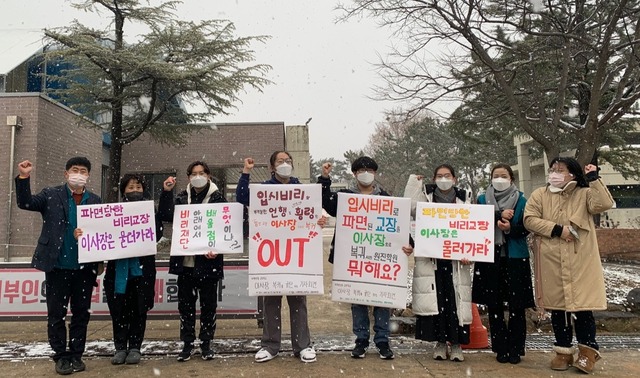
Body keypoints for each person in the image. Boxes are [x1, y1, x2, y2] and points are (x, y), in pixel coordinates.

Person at [524, 157, 614, 373]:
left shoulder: (584, 193)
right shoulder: (540, 195)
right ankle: (563, 352)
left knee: (582, 309)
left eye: (560, 170)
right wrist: (557, 229)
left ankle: (587, 353)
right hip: (551, 260)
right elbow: (529, 219)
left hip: (580, 261)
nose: (554, 173)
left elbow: (604, 203)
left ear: (572, 173)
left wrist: (594, 179)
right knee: (558, 309)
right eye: (552, 169)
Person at [318, 156, 413, 360]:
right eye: (361, 170)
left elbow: (399, 223)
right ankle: (361, 340)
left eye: (369, 170)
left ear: (375, 173)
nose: (366, 174)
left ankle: (382, 340)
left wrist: (409, 243)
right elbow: (324, 200)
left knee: (382, 301)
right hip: (354, 259)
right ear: (354, 174)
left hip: (380, 259)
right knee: (357, 300)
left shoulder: (386, 199)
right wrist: (324, 178)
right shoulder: (345, 197)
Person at [15, 157, 101, 375]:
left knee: (81, 313)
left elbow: (104, 231)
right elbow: (25, 203)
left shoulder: (96, 201)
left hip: (85, 268)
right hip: (57, 266)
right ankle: (61, 356)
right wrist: (24, 177)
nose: (79, 174)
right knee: (56, 314)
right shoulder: (50, 194)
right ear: (66, 174)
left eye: (83, 171)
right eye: (75, 170)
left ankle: (76, 354)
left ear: (88, 176)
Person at [236, 151, 320, 363]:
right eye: (280, 161)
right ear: (272, 167)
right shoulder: (264, 189)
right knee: (271, 302)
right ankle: (270, 345)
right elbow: (242, 197)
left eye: (288, 161)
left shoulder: (302, 189)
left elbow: (316, 212)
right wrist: (246, 172)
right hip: (271, 253)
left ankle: (302, 345)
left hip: (296, 253)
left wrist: (319, 220)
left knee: (298, 302)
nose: (285, 164)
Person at [76, 174, 160, 365]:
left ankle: (136, 347)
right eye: (131, 188)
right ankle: (120, 347)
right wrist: (84, 233)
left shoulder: (149, 212)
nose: (135, 191)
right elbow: (98, 235)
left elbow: (158, 234)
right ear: (123, 191)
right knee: (119, 310)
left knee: (139, 310)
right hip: (117, 271)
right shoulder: (111, 213)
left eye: (139, 187)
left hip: (142, 271)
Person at [158, 161, 226, 362]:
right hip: (185, 263)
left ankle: (206, 343)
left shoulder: (218, 199)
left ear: (209, 176)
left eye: (202, 173)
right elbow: (165, 215)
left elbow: (225, 229)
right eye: (194, 173)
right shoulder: (180, 198)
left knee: (208, 306)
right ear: (188, 177)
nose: (198, 176)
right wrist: (165, 192)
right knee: (185, 307)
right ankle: (187, 344)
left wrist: (218, 248)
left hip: (208, 263)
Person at [405, 164, 472, 362]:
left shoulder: (464, 199)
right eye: (440, 176)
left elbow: (473, 230)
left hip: (457, 262)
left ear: (455, 178)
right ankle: (441, 342)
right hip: (432, 260)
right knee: (438, 303)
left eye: (447, 175)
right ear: (434, 179)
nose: (444, 179)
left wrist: (470, 253)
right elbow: (408, 209)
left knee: (455, 303)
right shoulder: (425, 197)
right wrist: (413, 184)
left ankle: (457, 344)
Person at [472, 164, 535, 364]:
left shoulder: (522, 200)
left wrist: (510, 229)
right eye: (496, 175)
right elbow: (475, 222)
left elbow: (527, 227)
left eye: (504, 175)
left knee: (517, 306)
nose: (499, 179)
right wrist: (498, 216)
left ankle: (516, 348)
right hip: (491, 258)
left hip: (516, 258)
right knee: (494, 305)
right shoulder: (482, 199)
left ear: (512, 179)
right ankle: (500, 347)